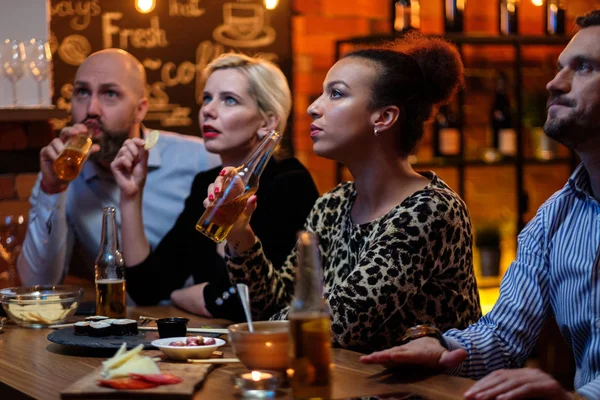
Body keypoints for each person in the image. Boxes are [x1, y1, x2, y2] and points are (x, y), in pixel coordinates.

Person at [360, 9, 600, 400]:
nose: (555, 83)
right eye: (560, 67)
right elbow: (503, 336)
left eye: (585, 67)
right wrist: (442, 349)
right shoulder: (555, 217)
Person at [206, 33, 482, 353]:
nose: (312, 108)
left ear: (384, 117)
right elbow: (275, 302)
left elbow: (341, 323)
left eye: (336, 94)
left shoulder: (430, 211)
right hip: (349, 383)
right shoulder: (332, 205)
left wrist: (263, 323)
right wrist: (240, 234)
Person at [110, 54, 319, 320]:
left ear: (267, 122)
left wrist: (185, 295)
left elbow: (247, 303)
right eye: (207, 98)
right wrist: (131, 195)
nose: (208, 109)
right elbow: (148, 287)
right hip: (216, 347)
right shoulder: (205, 184)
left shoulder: (289, 183)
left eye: (229, 100)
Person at [17, 49, 220, 285]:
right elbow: (37, 285)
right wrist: (52, 190)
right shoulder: (61, 177)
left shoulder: (200, 159)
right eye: (82, 92)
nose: (91, 109)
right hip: (124, 317)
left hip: (196, 316)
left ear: (140, 109)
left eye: (110, 94)